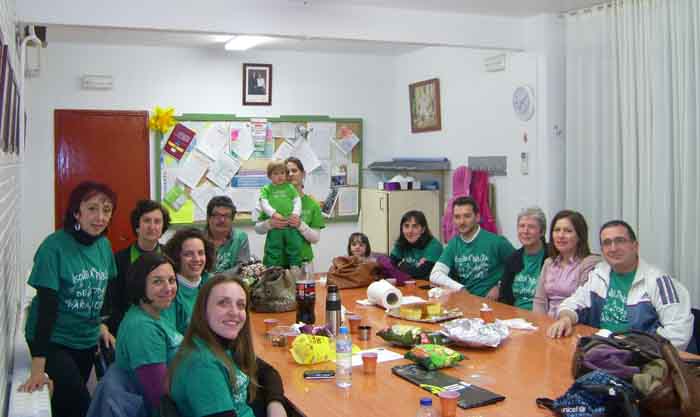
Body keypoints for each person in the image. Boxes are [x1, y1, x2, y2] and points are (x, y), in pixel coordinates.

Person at [19, 181, 118, 417]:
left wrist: (101, 324)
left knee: (66, 408)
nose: (100, 217)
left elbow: (103, 291)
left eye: (106, 210)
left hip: (85, 340)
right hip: (54, 341)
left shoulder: (103, 245)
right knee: (82, 405)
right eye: (92, 208)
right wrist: (38, 369)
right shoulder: (53, 247)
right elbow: (46, 309)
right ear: (77, 212)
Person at [547, 220, 694, 350]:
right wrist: (566, 318)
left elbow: (678, 334)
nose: (613, 248)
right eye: (606, 243)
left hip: (641, 359)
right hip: (603, 350)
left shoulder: (659, 281)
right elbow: (573, 302)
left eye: (620, 241)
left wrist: (634, 347)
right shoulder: (599, 274)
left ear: (635, 246)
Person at [169, 275, 288, 417]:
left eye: (240, 305)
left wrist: (275, 404)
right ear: (203, 309)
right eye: (223, 303)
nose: (234, 312)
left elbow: (267, 372)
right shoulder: (203, 365)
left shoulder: (221, 344)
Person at [114, 252, 182, 415]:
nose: (168, 288)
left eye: (172, 280)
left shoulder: (152, 311)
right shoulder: (142, 329)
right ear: (140, 284)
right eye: (157, 282)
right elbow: (159, 398)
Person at [104, 199, 171, 336]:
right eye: (146, 221)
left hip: (164, 325)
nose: (152, 226)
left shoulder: (171, 257)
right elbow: (113, 302)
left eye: (157, 221)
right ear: (137, 226)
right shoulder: (119, 259)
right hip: (127, 328)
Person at [430, 196, 514, 298]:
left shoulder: (497, 242)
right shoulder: (454, 243)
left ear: (477, 217)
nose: (462, 222)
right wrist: (460, 288)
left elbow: (520, 266)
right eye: (457, 217)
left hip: (491, 304)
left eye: (467, 216)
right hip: (466, 301)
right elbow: (435, 274)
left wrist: (500, 286)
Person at [255, 157, 325, 272]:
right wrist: (269, 224)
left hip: (302, 262)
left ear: (303, 174)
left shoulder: (312, 204)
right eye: (286, 171)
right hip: (276, 263)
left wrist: (300, 225)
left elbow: (315, 239)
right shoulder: (269, 199)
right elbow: (257, 229)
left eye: (294, 170)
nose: (290, 174)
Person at [533, 210, 601, 318]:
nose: (560, 235)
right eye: (557, 230)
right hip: (547, 324)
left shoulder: (589, 263)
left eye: (568, 231)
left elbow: (583, 303)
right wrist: (540, 324)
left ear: (580, 236)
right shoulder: (549, 263)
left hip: (573, 323)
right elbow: (540, 301)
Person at [163, 227, 216, 334]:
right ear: (177, 257)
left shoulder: (211, 282)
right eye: (188, 254)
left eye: (201, 253)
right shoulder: (169, 291)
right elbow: (171, 338)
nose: (196, 259)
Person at [499, 207, 547, 309]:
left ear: (542, 231)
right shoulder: (512, 259)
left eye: (531, 227)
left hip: (543, 316)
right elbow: (504, 297)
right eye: (521, 226)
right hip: (516, 317)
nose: (525, 231)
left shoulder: (552, 256)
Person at [258, 159, 303, 269]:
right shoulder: (266, 189)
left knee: (294, 246)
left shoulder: (290, 187)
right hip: (275, 226)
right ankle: (271, 268)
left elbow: (297, 200)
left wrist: (295, 213)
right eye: (276, 173)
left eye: (282, 173)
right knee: (273, 246)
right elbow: (264, 202)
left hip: (290, 225)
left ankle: (295, 267)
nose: (280, 176)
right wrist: (273, 214)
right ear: (269, 176)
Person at [389, 210, 443, 279]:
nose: (410, 231)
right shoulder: (401, 242)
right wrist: (413, 268)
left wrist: (401, 264)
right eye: (406, 226)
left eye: (415, 226)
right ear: (402, 228)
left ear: (423, 229)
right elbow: (389, 266)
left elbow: (420, 273)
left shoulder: (434, 246)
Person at [205, 196, 250, 274]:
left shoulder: (240, 237)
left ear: (232, 219)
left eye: (226, 216)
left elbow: (242, 268)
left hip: (230, 283)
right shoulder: (198, 239)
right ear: (208, 218)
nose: (222, 220)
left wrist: (218, 278)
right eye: (217, 215)